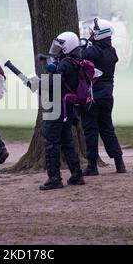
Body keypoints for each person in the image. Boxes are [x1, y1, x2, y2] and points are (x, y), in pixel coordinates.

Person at [37, 32, 85, 190]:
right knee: (67, 143)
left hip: (58, 107)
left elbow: (54, 85)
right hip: (68, 109)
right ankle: (77, 174)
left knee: (51, 142)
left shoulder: (65, 64)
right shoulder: (75, 61)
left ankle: (54, 179)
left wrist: (38, 84)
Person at [79, 18, 126, 175]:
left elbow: (80, 55)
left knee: (90, 130)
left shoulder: (93, 51)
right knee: (107, 129)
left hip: (93, 96)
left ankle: (92, 165)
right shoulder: (111, 51)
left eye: (93, 32)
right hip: (107, 96)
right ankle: (119, 162)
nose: (91, 34)